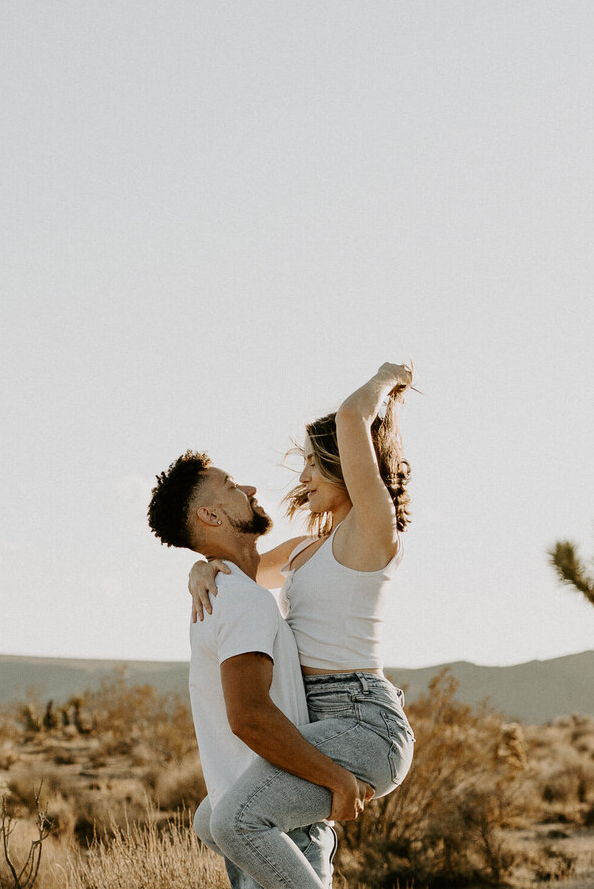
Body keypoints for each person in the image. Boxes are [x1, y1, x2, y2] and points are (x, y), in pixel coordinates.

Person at [185, 361, 415, 889]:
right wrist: (198, 568)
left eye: (315, 463)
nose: (303, 477)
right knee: (211, 818)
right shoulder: (303, 550)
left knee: (239, 821)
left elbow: (355, 416)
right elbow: (238, 568)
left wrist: (387, 377)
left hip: (362, 720)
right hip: (313, 721)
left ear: (348, 465)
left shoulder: (372, 532)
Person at [146, 453, 366, 889]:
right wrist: (337, 779)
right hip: (276, 827)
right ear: (210, 514)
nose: (249, 489)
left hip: (250, 819)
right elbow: (249, 716)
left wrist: (200, 564)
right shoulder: (243, 601)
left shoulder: (224, 592)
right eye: (231, 486)